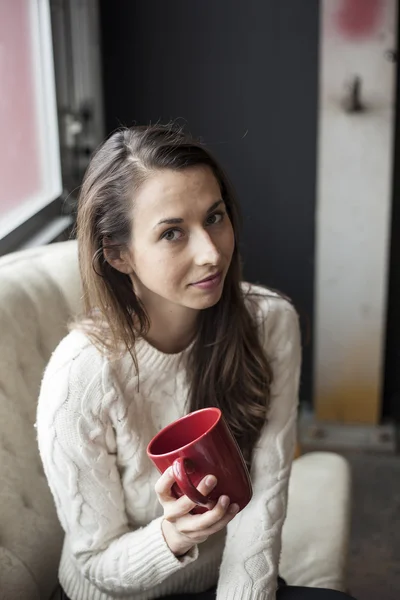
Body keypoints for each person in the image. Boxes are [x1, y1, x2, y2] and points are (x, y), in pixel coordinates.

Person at [37, 124, 355, 600]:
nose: (211, 253)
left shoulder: (270, 324)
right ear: (118, 254)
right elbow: (96, 563)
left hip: (218, 581)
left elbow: (265, 495)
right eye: (171, 233)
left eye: (215, 217)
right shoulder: (80, 376)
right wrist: (174, 536)